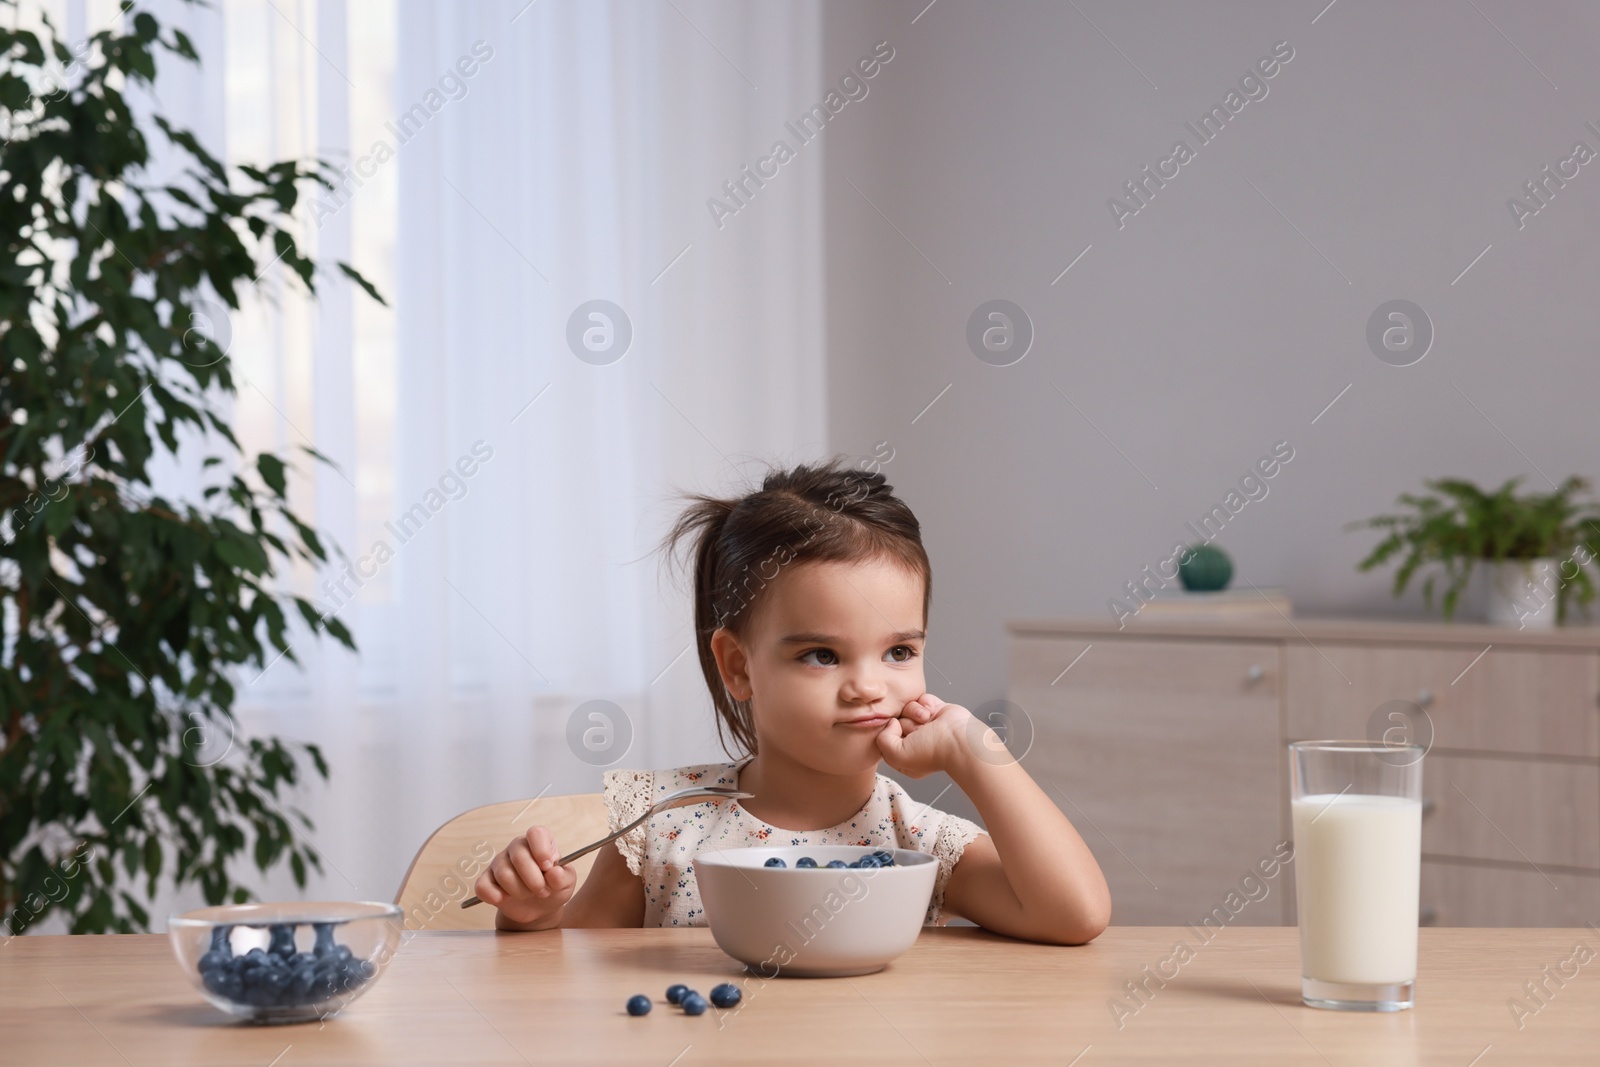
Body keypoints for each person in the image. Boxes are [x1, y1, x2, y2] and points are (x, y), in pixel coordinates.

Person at [472, 458, 1110, 943]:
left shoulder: (916, 841)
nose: (869, 686)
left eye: (899, 652)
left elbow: (1075, 915)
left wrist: (978, 751)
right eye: (822, 656)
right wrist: (532, 919)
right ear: (738, 666)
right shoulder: (663, 826)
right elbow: (572, 972)